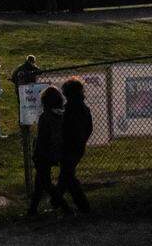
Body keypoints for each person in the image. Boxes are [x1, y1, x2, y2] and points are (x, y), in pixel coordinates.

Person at [27, 85, 67, 216]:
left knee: (44, 182)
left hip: (44, 153)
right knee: (41, 182)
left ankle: (65, 207)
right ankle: (32, 209)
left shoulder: (46, 117)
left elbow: (42, 138)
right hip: (54, 151)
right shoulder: (61, 115)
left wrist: (37, 153)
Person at [59, 78, 92, 213]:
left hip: (69, 146)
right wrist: (83, 139)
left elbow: (64, 128)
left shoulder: (68, 109)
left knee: (68, 175)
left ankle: (82, 205)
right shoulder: (83, 108)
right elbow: (89, 128)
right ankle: (57, 201)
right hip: (78, 146)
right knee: (66, 174)